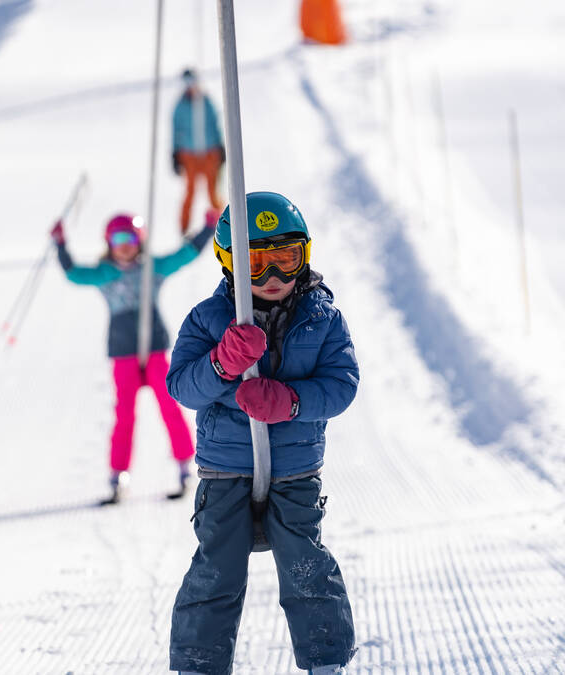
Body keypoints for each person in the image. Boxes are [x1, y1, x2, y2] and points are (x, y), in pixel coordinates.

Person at [166, 192, 359, 675]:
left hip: (294, 471)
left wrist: (291, 402)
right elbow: (182, 387)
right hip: (226, 469)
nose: (274, 277)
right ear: (229, 261)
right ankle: (197, 664)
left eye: (286, 259)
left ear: (305, 255)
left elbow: (342, 386)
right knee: (217, 571)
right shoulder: (209, 320)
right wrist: (220, 363)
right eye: (257, 263)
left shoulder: (322, 318)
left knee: (306, 566)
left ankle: (326, 661)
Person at [50, 208, 218, 502]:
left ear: (140, 240)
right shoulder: (104, 273)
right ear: (108, 242)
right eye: (118, 238)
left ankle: (185, 467)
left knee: (169, 405)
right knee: (124, 413)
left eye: (130, 237)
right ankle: (118, 477)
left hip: (153, 347)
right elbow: (74, 274)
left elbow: (185, 255)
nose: (125, 245)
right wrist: (61, 244)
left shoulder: (151, 269)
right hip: (124, 351)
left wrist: (207, 228)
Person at [172, 68, 225, 235]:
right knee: (190, 192)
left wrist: (221, 146)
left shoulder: (206, 101)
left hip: (210, 152)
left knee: (213, 191)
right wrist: (174, 153)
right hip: (189, 154)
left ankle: (225, 226)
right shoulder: (180, 105)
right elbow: (176, 129)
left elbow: (215, 123)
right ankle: (184, 229)